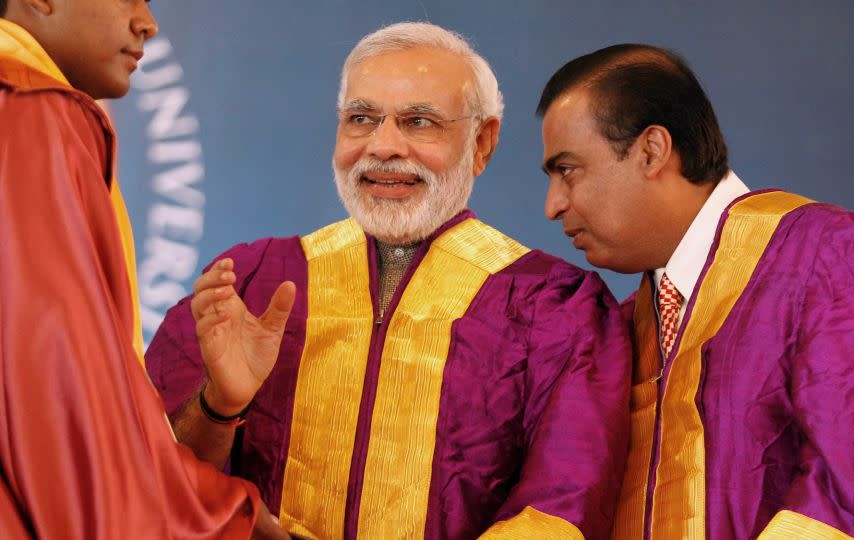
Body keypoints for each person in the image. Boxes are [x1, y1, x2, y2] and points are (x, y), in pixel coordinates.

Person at [145, 22, 631, 540]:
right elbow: (147, 480)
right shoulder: (254, 284)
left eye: (418, 122)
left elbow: (563, 510)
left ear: (482, 143)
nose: (383, 146)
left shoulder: (556, 309)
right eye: (361, 119)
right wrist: (218, 405)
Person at [537, 43, 854, 539]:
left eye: (568, 170)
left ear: (652, 150)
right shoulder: (633, 323)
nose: (553, 205)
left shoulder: (831, 262)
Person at [0, 0, 291, 537]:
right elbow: (65, 421)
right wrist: (241, 523)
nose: (147, 22)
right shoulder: (33, 112)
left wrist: (220, 409)